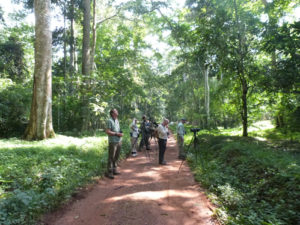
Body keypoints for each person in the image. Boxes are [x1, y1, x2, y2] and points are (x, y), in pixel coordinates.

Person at [105, 109, 123, 179]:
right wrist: (116, 133)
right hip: (113, 141)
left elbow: (117, 130)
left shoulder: (117, 120)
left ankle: (114, 169)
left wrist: (120, 133)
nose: (117, 112)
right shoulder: (109, 121)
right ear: (112, 113)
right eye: (116, 111)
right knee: (111, 157)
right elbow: (107, 131)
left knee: (116, 156)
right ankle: (109, 172)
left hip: (119, 141)